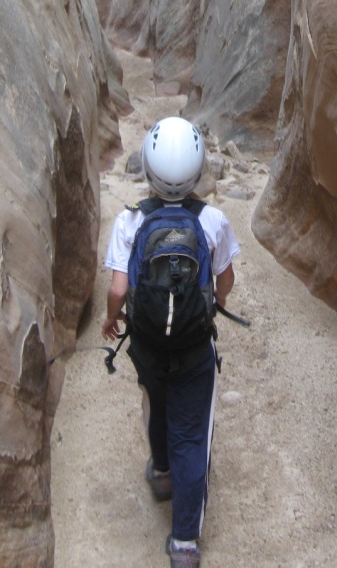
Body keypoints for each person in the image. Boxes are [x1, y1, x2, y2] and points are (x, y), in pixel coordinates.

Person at [102, 116, 240, 568]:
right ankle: (184, 544)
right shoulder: (214, 220)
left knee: (155, 402)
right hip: (195, 347)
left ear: (147, 167)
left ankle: (161, 473)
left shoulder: (129, 221)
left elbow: (120, 290)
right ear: (199, 168)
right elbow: (225, 280)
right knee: (190, 433)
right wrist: (212, 305)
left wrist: (110, 320)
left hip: (146, 343)